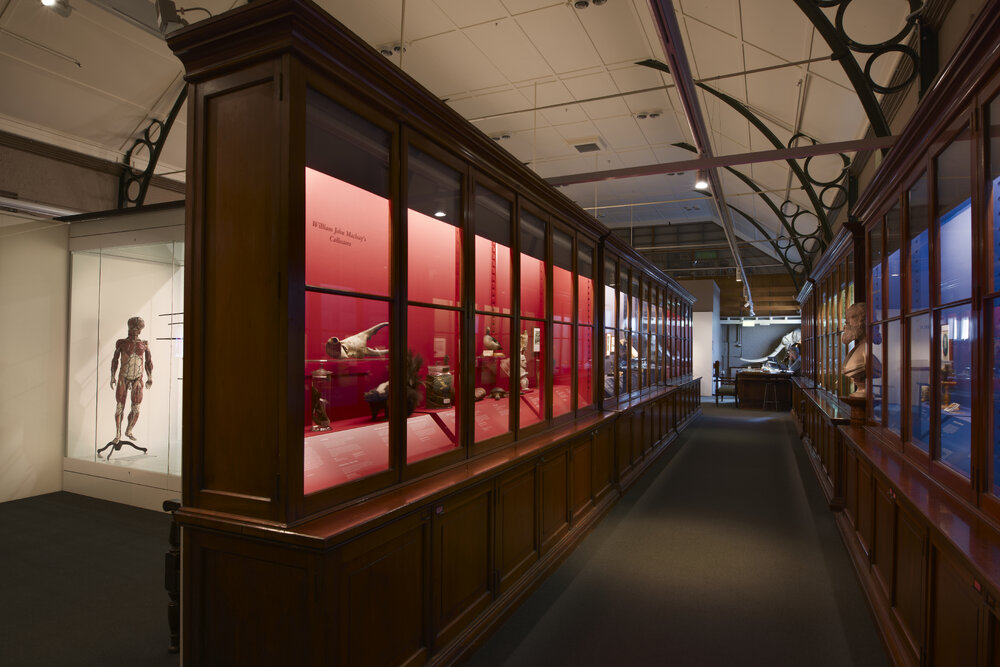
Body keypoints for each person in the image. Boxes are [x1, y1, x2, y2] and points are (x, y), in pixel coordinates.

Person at [110, 316, 153, 443]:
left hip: (137, 379)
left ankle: (128, 430)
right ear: (129, 328)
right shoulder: (121, 343)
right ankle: (117, 434)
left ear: (140, 330)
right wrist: (112, 376)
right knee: (119, 407)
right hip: (123, 377)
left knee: (136, 408)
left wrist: (150, 377)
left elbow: (148, 362)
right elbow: (115, 360)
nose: (135, 330)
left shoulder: (144, 345)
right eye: (132, 327)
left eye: (137, 328)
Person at [841, 302, 867, 397]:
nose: (846, 324)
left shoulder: (866, 350)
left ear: (862, 321)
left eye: (850, 318)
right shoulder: (858, 348)